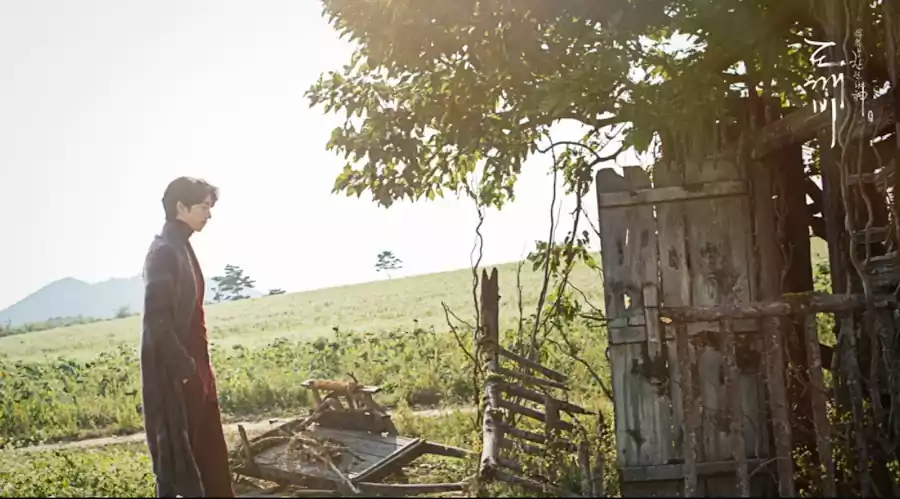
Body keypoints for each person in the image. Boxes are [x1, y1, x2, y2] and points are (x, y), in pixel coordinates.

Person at [140, 176, 234, 498]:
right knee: (182, 465)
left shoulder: (182, 246)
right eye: (204, 206)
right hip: (180, 378)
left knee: (211, 459)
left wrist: (202, 371)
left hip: (198, 372)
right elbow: (158, 323)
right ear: (180, 207)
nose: (209, 214)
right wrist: (185, 372)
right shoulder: (163, 253)